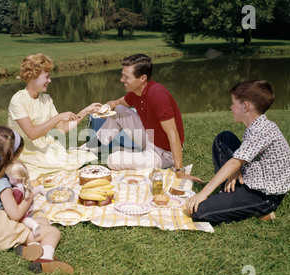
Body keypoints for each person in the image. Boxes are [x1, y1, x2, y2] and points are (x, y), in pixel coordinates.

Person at [0, 126, 74, 274]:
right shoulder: (1, 184)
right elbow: (15, 214)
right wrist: (29, 196)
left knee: (41, 222)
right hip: (0, 231)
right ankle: (46, 260)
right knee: (52, 232)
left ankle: (29, 248)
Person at [81, 53, 203, 183]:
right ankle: (93, 147)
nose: (122, 80)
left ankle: (136, 156)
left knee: (112, 160)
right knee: (119, 111)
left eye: (126, 77)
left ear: (142, 78)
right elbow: (116, 103)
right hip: (149, 138)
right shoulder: (135, 92)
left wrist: (179, 171)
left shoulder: (158, 95)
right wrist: (107, 106)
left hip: (163, 153)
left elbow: (173, 134)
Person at [188, 80, 290, 225]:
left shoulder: (261, 130)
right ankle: (230, 194)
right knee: (223, 139)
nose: (231, 107)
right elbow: (240, 158)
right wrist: (235, 171)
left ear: (245, 107)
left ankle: (264, 209)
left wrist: (203, 193)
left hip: (265, 195)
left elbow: (234, 162)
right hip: (256, 176)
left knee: (199, 211)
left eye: (233, 104)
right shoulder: (259, 124)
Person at [8, 53, 102, 180]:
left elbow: (62, 128)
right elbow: (32, 134)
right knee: (50, 168)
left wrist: (85, 111)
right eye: (46, 77)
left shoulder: (46, 99)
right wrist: (57, 118)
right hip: (25, 150)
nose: (50, 81)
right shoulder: (18, 100)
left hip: (44, 146)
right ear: (33, 76)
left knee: (73, 160)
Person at [5, 160, 46, 238]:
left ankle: (34, 226)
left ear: (15, 179)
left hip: (23, 209)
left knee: (24, 220)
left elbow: (15, 206)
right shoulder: (24, 185)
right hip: (28, 204)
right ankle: (38, 189)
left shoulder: (16, 191)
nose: (7, 180)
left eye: (8, 177)